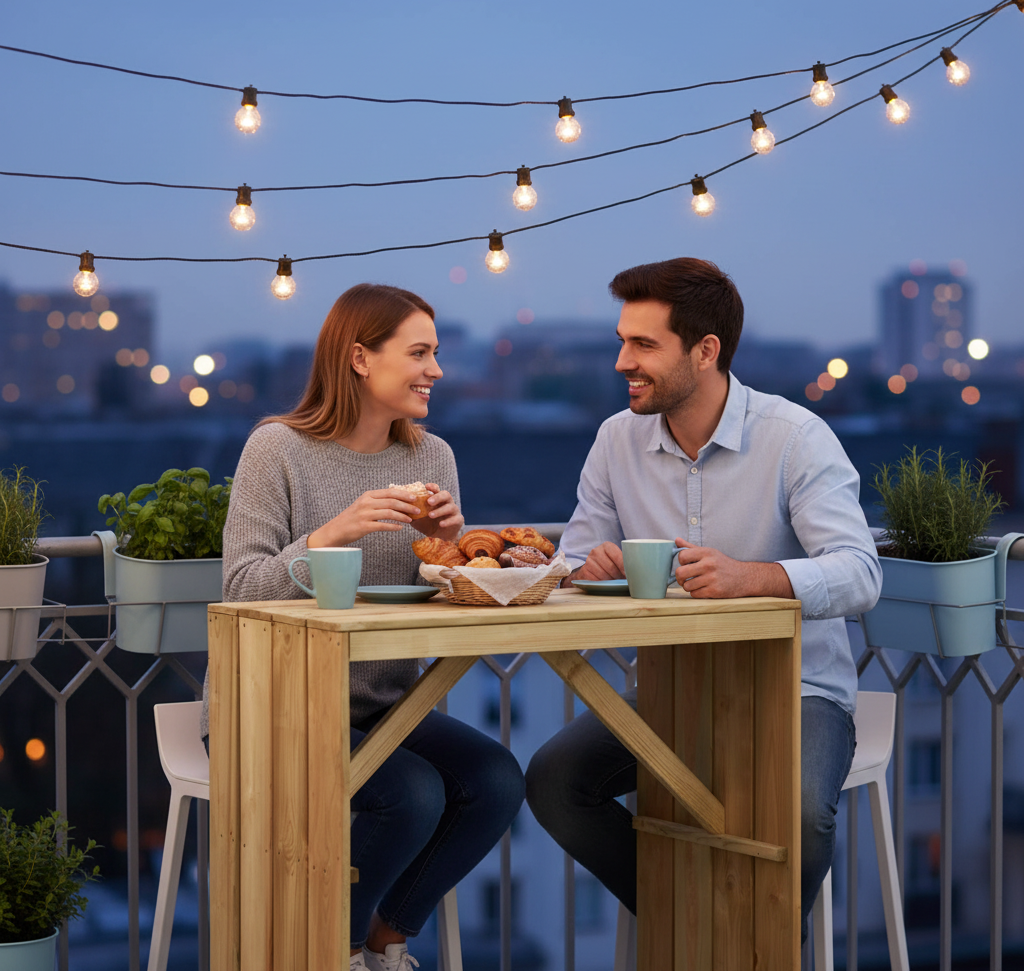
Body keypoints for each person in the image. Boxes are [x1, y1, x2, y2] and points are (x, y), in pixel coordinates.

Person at [525, 257, 881, 942]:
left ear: (705, 350)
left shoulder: (795, 439)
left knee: (803, 812)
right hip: (671, 688)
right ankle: (695, 932)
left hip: (795, 689)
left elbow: (861, 574)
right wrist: (584, 567)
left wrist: (754, 578)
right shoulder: (614, 440)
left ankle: (763, 949)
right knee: (554, 781)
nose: (623, 361)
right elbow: (571, 557)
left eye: (644, 345)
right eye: (622, 341)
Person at [200, 283, 525, 971]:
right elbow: (239, 591)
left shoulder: (432, 458)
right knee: (410, 794)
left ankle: (385, 938)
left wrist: (452, 552)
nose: (436, 369)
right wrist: (331, 536)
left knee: (495, 778)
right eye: (420, 353)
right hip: (275, 706)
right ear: (358, 358)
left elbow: (428, 607)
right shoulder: (276, 449)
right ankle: (334, 952)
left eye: (436, 353)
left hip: (382, 705)